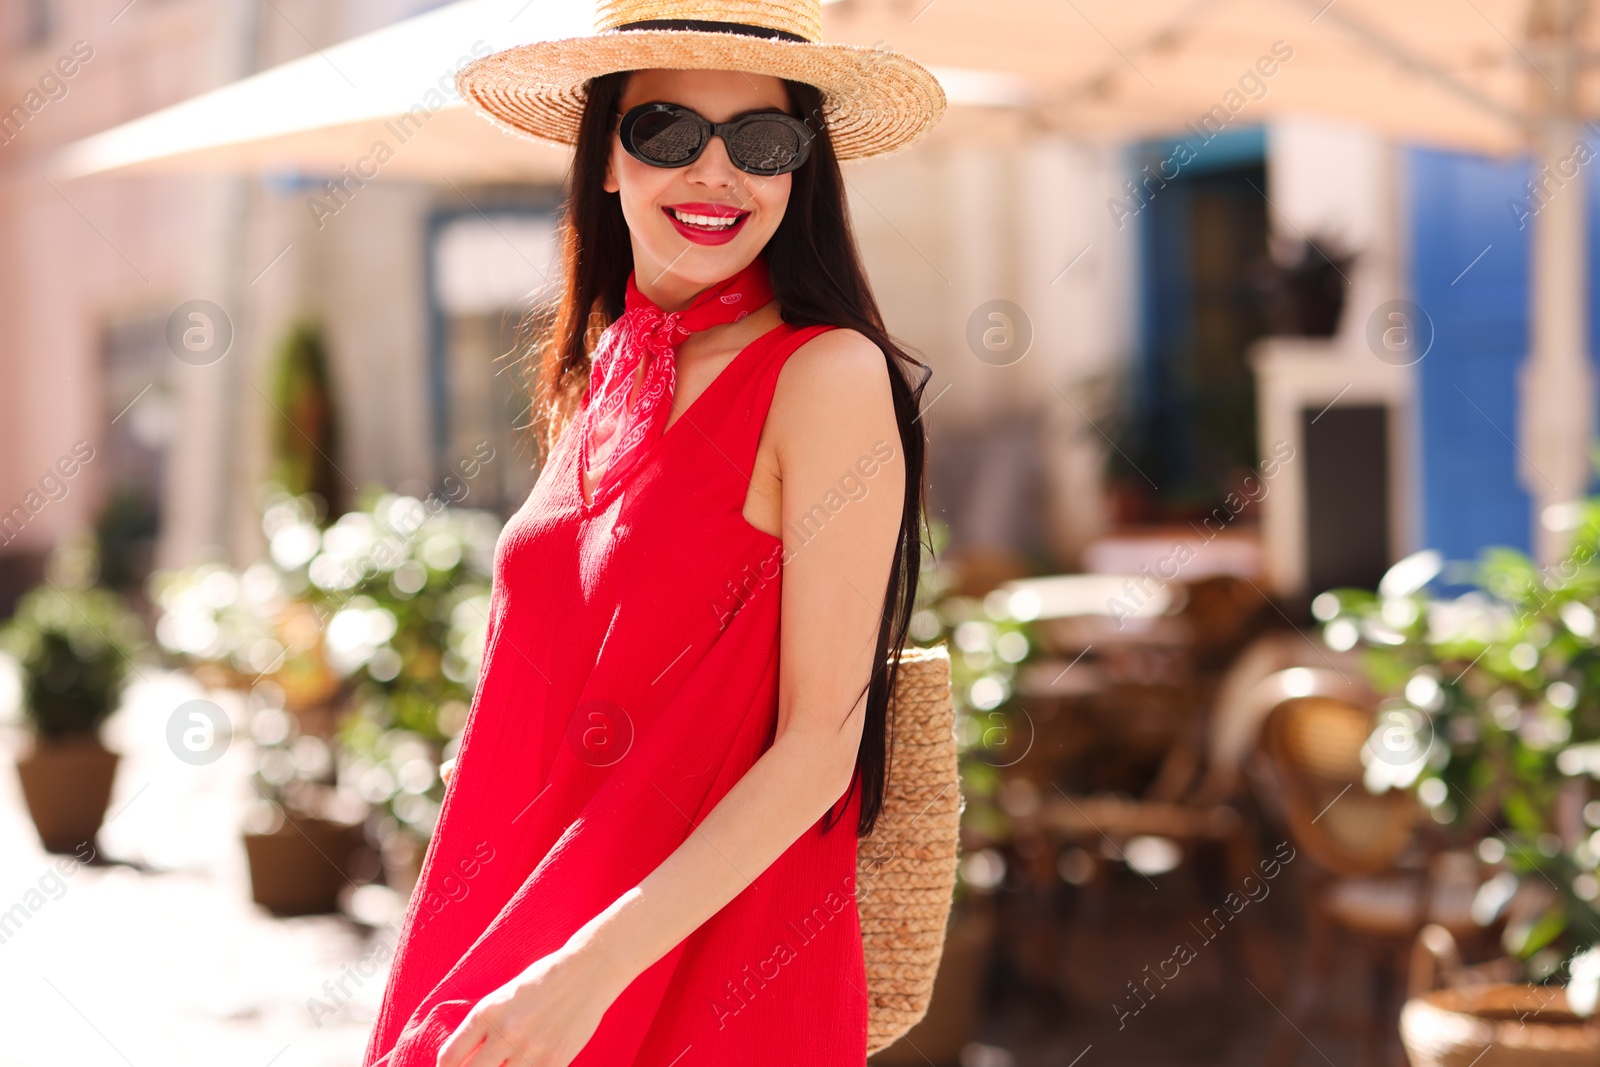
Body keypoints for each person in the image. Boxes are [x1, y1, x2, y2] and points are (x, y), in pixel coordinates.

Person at [363, 4, 945, 1065]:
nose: (716, 173)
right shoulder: (600, 374)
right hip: (510, 934)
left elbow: (821, 746)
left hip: (688, 967)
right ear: (605, 157)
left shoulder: (824, 377)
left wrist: (581, 973)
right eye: (668, 131)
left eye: (763, 142)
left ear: (801, 168)